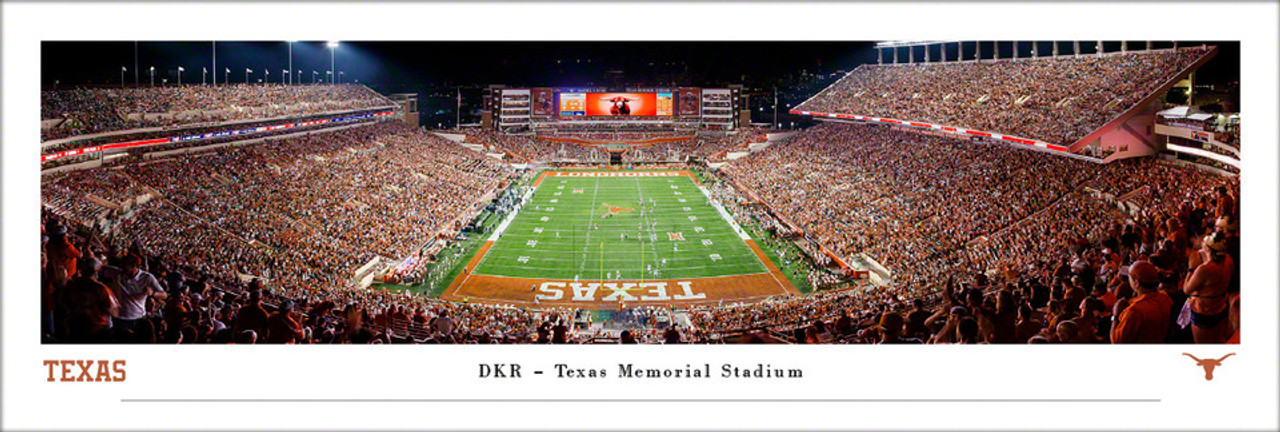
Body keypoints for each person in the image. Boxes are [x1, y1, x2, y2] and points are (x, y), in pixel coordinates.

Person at [1183, 232, 1234, 343]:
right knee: (1218, 341)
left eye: (1204, 242)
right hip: (1221, 307)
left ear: (1208, 248)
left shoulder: (1204, 269)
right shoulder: (1228, 259)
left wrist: (1191, 268)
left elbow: (1186, 289)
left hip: (1205, 314)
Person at [102, 254, 167, 334]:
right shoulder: (118, 272)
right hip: (120, 319)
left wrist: (152, 293)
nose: (122, 268)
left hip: (139, 318)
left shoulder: (147, 277)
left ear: (134, 266)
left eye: (125, 266)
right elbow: (96, 265)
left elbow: (164, 295)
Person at [1111, 261, 1173, 344]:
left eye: (1129, 277)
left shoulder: (1134, 311)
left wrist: (1115, 316)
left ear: (1136, 283)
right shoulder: (1165, 298)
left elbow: (1117, 342)